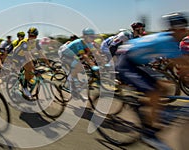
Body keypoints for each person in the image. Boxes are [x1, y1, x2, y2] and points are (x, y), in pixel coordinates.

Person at [115, 12, 188, 149]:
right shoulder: (167, 41)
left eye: (186, 28)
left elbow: (175, 63)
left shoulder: (170, 39)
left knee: (165, 89)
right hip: (126, 62)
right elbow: (183, 63)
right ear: (174, 30)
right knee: (154, 92)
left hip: (135, 61)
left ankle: (145, 106)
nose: (186, 31)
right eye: (183, 29)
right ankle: (148, 134)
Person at [58, 28, 100, 94]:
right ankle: (67, 85)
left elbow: (95, 53)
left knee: (80, 67)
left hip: (73, 56)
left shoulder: (89, 43)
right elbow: (84, 55)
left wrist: (105, 63)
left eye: (93, 36)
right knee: (78, 66)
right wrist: (93, 65)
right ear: (85, 36)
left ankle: (75, 80)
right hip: (65, 55)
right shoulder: (78, 42)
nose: (93, 38)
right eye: (91, 36)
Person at [12, 27, 50, 99]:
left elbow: (42, 53)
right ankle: (24, 87)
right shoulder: (24, 43)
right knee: (29, 68)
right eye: (30, 35)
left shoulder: (36, 43)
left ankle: (27, 80)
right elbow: (27, 55)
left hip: (24, 55)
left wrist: (49, 64)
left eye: (33, 36)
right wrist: (32, 66)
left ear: (36, 36)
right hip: (17, 56)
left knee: (32, 69)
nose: (31, 37)